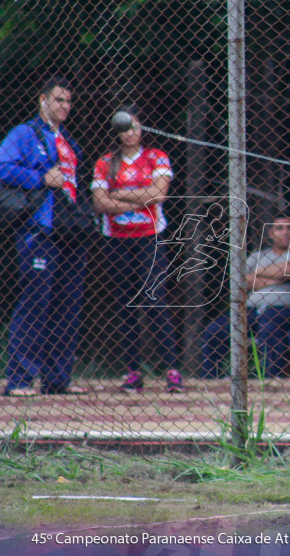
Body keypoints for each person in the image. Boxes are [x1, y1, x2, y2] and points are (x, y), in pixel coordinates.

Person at [0, 77, 89, 397]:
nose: (65, 106)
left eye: (68, 101)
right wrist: (40, 178)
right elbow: (2, 166)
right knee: (36, 303)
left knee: (68, 305)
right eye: (59, 100)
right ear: (43, 101)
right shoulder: (25, 133)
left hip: (71, 232)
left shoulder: (67, 139)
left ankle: (57, 378)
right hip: (40, 229)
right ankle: (21, 379)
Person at [90, 106, 184, 392]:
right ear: (117, 131)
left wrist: (118, 195)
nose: (130, 133)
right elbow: (99, 203)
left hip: (149, 237)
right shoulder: (106, 162)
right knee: (126, 303)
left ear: (142, 129)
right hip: (116, 239)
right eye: (125, 127)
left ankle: (172, 371)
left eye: (134, 127)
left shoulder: (157, 157)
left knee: (155, 301)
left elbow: (159, 194)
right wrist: (137, 201)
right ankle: (133, 372)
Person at [201, 215, 290, 379]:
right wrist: (274, 277)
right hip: (251, 309)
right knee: (215, 329)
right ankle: (211, 378)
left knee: (269, 326)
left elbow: (286, 270)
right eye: (279, 228)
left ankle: (271, 378)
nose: (285, 233)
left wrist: (256, 274)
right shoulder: (258, 254)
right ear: (270, 233)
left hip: (284, 310)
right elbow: (240, 283)